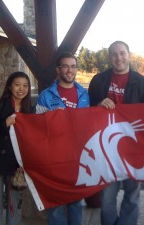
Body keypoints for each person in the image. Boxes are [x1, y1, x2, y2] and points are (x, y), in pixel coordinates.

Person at [88, 40, 144, 225]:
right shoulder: (98, 81)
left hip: (134, 147)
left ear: (129, 55)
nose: (119, 58)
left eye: (122, 53)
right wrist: (98, 106)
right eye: (114, 54)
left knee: (132, 195)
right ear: (109, 58)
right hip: (106, 147)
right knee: (107, 197)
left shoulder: (142, 83)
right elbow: (87, 112)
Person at [35, 52, 89, 225]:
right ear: (58, 70)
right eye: (65, 66)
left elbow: (91, 122)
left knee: (76, 202)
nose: (69, 70)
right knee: (56, 204)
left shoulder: (84, 94)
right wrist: (52, 118)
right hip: (54, 157)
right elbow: (37, 127)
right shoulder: (46, 95)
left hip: (77, 156)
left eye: (73, 66)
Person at [0, 71, 33, 225]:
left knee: (13, 206)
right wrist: (4, 123)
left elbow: (31, 139)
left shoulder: (29, 109)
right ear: (10, 86)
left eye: (25, 85)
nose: (21, 89)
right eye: (17, 85)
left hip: (16, 166)